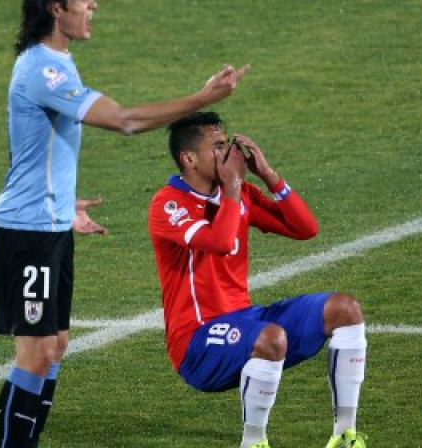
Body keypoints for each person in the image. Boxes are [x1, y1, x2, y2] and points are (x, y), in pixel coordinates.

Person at [0, 1, 250, 447]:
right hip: (26, 233)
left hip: (49, 225)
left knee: (55, 348)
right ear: (56, 7)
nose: (93, 5)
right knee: (34, 355)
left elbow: (32, 149)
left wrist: (62, 202)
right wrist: (203, 99)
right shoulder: (42, 70)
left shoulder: (57, 63)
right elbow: (125, 121)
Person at [148, 112, 368, 448]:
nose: (230, 154)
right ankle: (253, 443)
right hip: (196, 342)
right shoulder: (168, 204)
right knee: (271, 338)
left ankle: (346, 435)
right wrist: (234, 188)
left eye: (228, 144)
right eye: (218, 147)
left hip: (245, 320)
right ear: (189, 158)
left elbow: (305, 229)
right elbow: (220, 243)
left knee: (345, 309)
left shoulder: (240, 194)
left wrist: (268, 175)